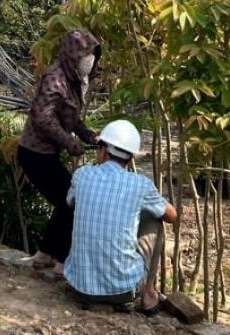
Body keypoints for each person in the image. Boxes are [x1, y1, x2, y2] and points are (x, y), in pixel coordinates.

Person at [65, 119, 178, 313]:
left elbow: (70, 203)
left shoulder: (82, 175)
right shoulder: (140, 185)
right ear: (130, 157)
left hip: (79, 287)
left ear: (103, 151)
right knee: (154, 218)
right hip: (123, 291)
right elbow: (172, 216)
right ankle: (149, 294)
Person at [17, 28, 101, 277]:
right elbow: (43, 117)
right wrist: (68, 142)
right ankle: (61, 262)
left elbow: (70, 115)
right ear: (74, 55)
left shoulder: (72, 79)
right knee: (71, 201)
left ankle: (45, 254)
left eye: (94, 56)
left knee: (66, 201)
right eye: (87, 55)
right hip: (35, 153)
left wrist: (86, 134)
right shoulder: (56, 78)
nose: (91, 61)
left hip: (46, 154)